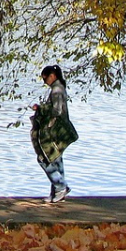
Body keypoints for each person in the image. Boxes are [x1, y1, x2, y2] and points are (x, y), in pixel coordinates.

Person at [31, 64, 79, 203]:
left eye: (45, 79)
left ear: (52, 76)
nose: (45, 82)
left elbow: (56, 110)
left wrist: (40, 108)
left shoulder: (57, 89)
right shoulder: (58, 88)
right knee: (56, 160)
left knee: (44, 159)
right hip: (60, 130)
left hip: (56, 131)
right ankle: (57, 193)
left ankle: (60, 187)